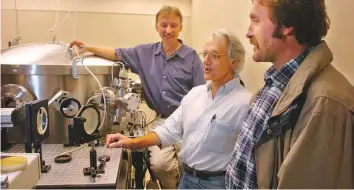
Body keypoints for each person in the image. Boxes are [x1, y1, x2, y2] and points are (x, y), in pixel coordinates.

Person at [69, 5, 205, 189]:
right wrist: (87, 47)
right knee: (160, 165)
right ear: (156, 26)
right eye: (164, 25)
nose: (168, 30)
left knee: (190, 164)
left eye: (173, 25)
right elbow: (116, 52)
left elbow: (202, 94)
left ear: (181, 27)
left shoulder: (192, 57)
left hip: (188, 121)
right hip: (162, 121)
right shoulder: (144, 53)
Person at [226, 0, 354, 189]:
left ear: (286, 25)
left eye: (256, 20)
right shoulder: (276, 82)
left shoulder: (326, 105)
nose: (248, 32)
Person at [106, 29, 252, 189]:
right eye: (205, 54)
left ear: (234, 62)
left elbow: (251, 162)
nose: (206, 61)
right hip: (186, 180)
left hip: (216, 184)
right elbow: (169, 129)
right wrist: (132, 142)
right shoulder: (195, 94)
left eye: (215, 55)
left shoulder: (245, 103)